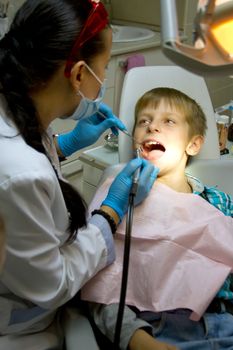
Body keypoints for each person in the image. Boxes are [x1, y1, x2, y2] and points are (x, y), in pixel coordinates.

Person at [0, 1, 159, 349]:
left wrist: (65, 145)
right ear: (78, 74)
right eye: (103, 70)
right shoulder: (19, 174)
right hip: (19, 329)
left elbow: (26, 152)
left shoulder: (12, 109)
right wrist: (112, 211)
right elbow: (54, 283)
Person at [81, 87, 233, 350]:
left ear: (194, 144)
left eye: (169, 121)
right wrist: (137, 339)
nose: (152, 127)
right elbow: (100, 288)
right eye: (144, 121)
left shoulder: (218, 202)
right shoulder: (116, 202)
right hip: (155, 329)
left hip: (224, 320)